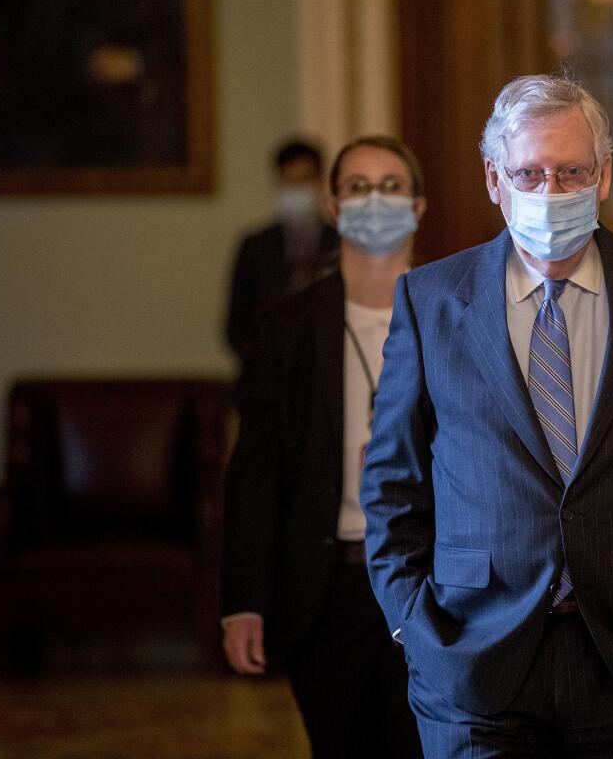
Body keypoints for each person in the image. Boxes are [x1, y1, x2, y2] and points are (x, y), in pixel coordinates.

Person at [360, 74, 613, 757]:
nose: (551, 193)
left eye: (571, 171)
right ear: (495, 179)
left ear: (603, 177)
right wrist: (413, 625)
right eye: (530, 173)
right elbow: (390, 484)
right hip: (474, 663)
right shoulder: (431, 302)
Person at [221, 135, 425, 758]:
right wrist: (245, 601)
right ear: (333, 207)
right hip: (326, 587)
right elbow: (255, 471)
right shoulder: (285, 326)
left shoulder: (456, 314)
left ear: (419, 206)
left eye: (391, 186)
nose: (374, 200)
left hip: (432, 583)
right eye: (357, 187)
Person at [225, 138, 339, 359]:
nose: (296, 189)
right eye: (289, 180)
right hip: (267, 373)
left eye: (304, 180)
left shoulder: (341, 242)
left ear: (320, 181)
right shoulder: (255, 246)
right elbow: (235, 325)